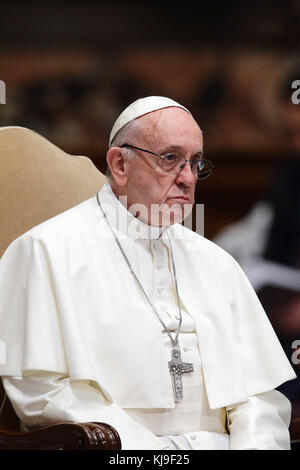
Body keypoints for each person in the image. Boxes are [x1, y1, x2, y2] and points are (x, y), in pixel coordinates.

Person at [0, 96, 296, 450]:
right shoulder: (46, 251)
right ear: (120, 165)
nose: (187, 178)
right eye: (170, 159)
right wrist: (163, 455)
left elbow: (259, 395)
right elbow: (43, 390)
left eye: (196, 163)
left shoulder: (216, 262)